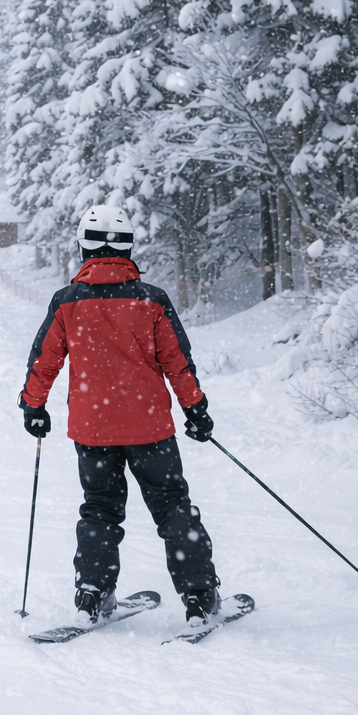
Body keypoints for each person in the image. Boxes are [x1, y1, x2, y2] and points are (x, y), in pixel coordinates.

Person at [17, 204, 222, 627]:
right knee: (172, 507)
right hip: (150, 429)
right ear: (128, 248)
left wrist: (33, 406)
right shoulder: (150, 300)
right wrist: (195, 409)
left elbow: (44, 361)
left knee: (99, 510)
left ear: (83, 249)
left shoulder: (67, 302)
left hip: (93, 431)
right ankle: (200, 598)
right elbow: (177, 362)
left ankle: (93, 595)